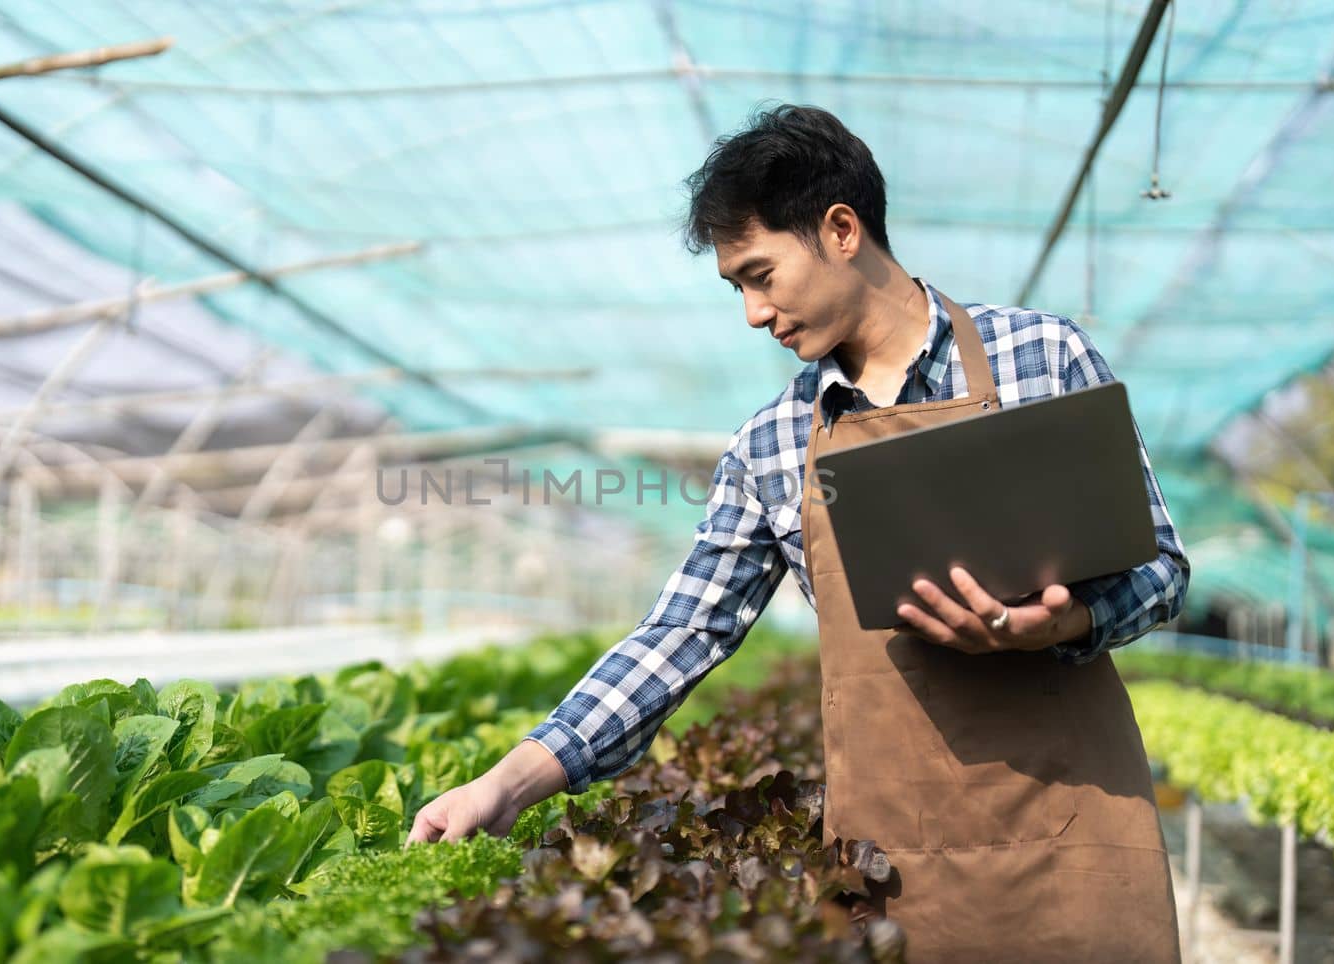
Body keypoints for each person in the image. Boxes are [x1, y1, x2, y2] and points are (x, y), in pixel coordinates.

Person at [407, 103, 1189, 962]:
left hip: (1074, 843)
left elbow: (1160, 566)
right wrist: (509, 782)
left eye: (760, 274)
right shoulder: (772, 444)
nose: (752, 313)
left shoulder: (1039, 357)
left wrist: (1066, 622)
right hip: (896, 874)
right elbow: (682, 632)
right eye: (735, 287)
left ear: (841, 229)